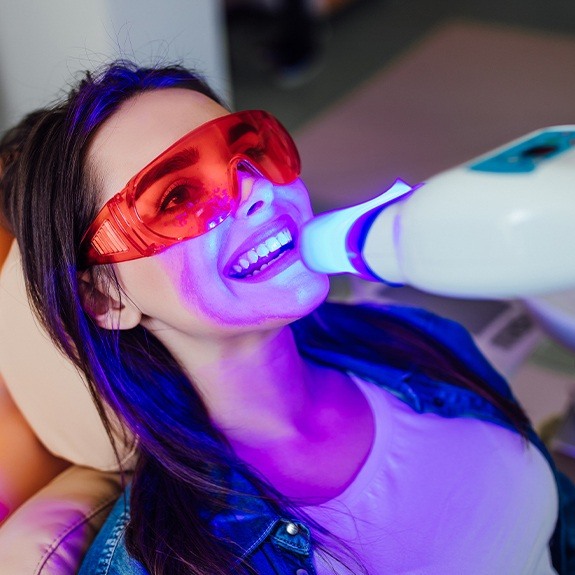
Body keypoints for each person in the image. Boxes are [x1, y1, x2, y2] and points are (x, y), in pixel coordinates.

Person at [0, 60, 573, 575]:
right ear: (106, 299)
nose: (254, 190)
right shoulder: (171, 563)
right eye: (176, 197)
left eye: (249, 152)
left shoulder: (415, 336)